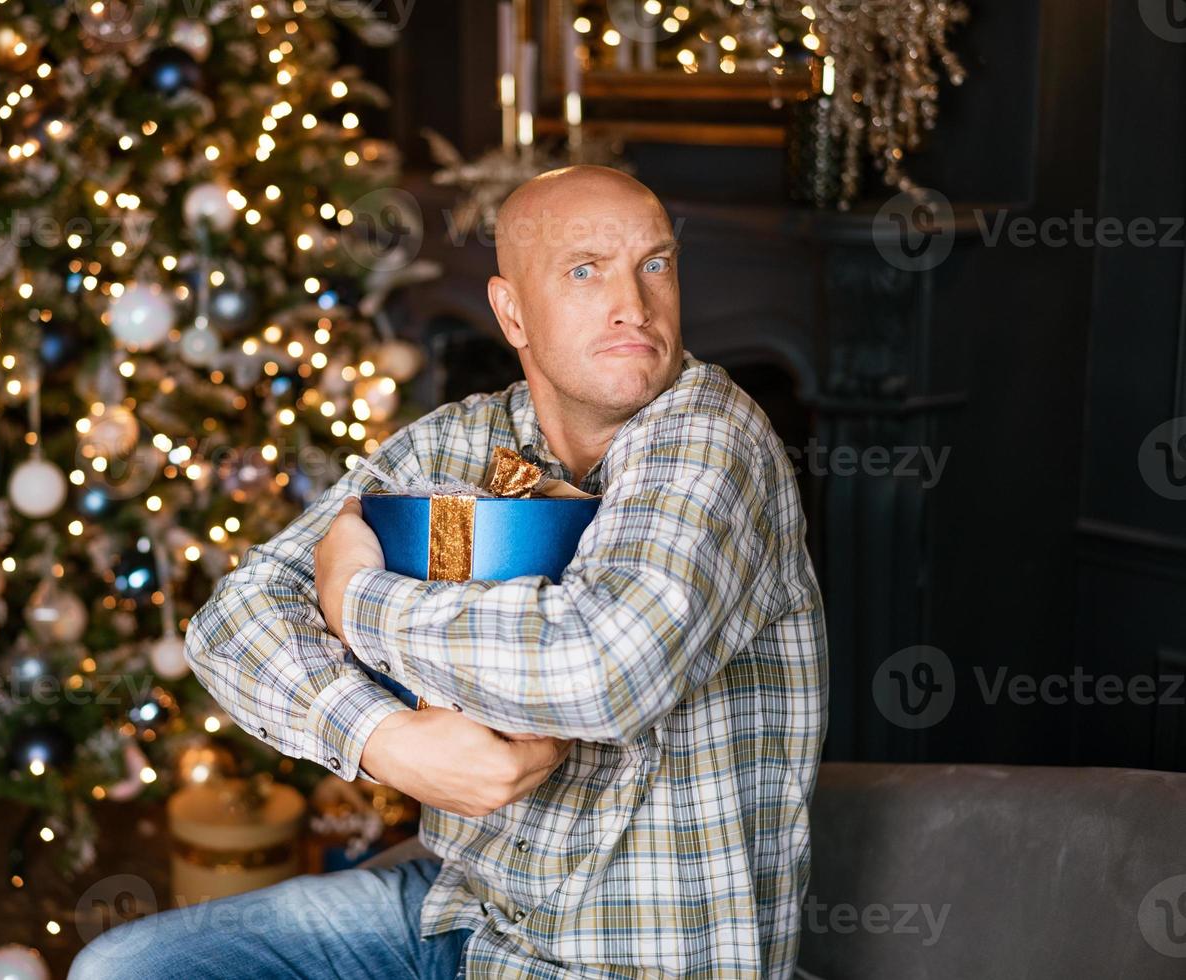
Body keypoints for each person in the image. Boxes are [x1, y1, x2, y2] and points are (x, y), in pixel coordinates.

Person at [70, 165, 828, 979]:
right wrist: (381, 739)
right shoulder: (457, 442)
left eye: (654, 264)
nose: (634, 306)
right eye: (585, 270)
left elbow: (603, 669)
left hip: (634, 961)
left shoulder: (717, 435)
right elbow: (233, 620)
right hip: (459, 921)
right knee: (127, 969)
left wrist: (358, 598)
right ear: (512, 313)